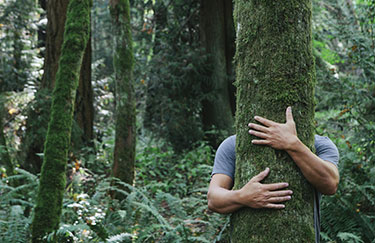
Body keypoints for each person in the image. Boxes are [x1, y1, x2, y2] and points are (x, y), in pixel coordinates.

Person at [207, 107, 339, 242]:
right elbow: (213, 199)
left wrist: (292, 144)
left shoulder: (321, 145)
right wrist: (242, 197)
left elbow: (330, 184)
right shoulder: (233, 146)